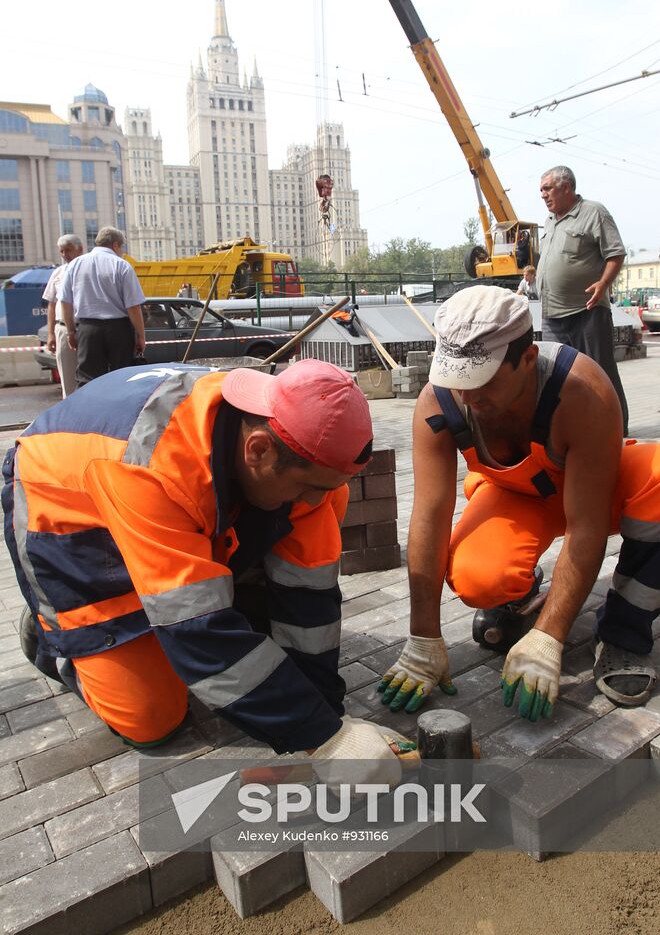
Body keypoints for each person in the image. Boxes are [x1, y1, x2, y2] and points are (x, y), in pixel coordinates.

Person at [2, 359, 412, 784]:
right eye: (309, 487)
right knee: (151, 720)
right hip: (69, 519)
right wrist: (323, 739)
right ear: (257, 450)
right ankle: (56, 640)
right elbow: (197, 626)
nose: (315, 501)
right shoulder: (153, 465)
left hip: (162, 509)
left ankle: (158, 610)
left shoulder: (294, 453)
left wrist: (329, 716)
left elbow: (308, 598)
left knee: (311, 514)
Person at [377, 286, 660, 721]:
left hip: (597, 487)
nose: (466, 397)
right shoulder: (438, 401)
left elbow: (587, 525)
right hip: (517, 495)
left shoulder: (582, 391)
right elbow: (429, 514)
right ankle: (518, 594)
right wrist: (423, 638)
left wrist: (550, 637)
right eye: (456, 379)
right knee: (478, 576)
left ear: (527, 359)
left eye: (480, 380)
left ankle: (622, 633)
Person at [537, 166, 629, 434]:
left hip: (586, 310)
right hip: (552, 314)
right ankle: (571, 431)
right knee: (556, 376)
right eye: (541, 190)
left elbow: (615, 253)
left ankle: (616, 431)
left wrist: (604, 284)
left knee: (601, 373)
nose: (542, 195)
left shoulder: (593, 212)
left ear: (566, 187)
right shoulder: (550, 221)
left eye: (547, 188)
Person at [59, 226, 146, 386]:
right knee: (122, 377)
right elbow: (133, 306)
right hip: (119, 329)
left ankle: (89, 410)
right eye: (121, 248)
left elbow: (65, 301)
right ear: (115, 245)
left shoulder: (75, 265)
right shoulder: (122, 266)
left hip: (87, 328)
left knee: (87, 379)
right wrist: (140, 335)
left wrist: (71, 331)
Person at [41, 234, 83, 398]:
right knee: (68, 379)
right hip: (63, 330)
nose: (65, 254)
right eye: (62, 251)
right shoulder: (58, 273)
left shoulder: (88, 269)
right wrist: (51, 334)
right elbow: (51, 304)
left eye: (68, 250)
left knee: (91, 376)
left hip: (86, 327)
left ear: (80, 249)